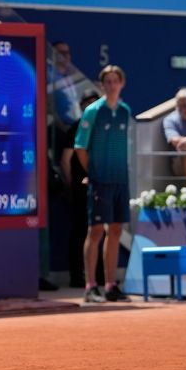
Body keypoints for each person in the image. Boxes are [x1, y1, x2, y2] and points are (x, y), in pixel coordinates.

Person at [74, 65, 131, 303]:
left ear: (121, 83)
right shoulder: (93, 111)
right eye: (107, 81)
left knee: (116, 230)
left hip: (120, 180)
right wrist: (93, 172)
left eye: (115, 81)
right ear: (101, 85)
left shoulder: (125, 111)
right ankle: (90, 286)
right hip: (100, 181)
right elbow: (80, 147)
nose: (111, 85)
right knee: (96, 231)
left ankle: (110, 285)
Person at [60, 89, 100, 288]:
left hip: (100, 186)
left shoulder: (102, 128)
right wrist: (71, 186)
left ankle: (99, 276)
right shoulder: (76, 128)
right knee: (80, 231)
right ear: (82, 105)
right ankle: (77, 276)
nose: (91, 106)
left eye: (95, 102)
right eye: (88, 103)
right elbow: (66, 161)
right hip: (80, 189)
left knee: (100, 230)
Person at [49, 41, 81, 128]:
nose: (66, 56)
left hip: (74, 125)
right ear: (53, 55)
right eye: (62, 53)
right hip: (58, 127)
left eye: (67, 53)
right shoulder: (48, 76)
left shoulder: (70, 77)